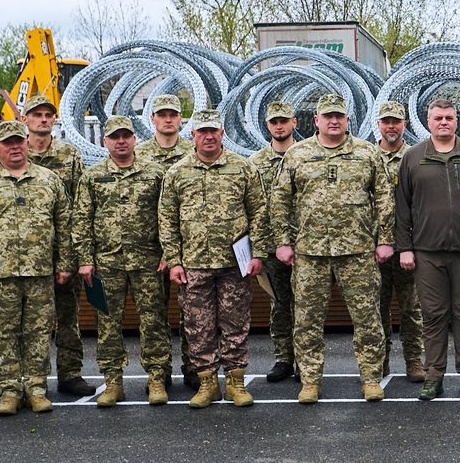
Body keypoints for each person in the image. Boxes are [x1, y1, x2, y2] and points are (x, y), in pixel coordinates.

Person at [271, 93, 391, 405]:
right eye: (328, 116)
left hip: (358, 251)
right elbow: (280, 200)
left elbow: (384, 198)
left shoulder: (367, 153)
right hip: (310, 252)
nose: (333, 121)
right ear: (316, 121)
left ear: (347, 120)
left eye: (339, 116)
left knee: (368, 318)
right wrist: (282, 242)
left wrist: (385, 240)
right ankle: (310, 379)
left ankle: (370, 378)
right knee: (307, 320)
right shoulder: (297, 155)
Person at [0, 120, 72, 416]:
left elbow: (64, 223)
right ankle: (9, 390)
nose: (14, 147)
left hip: (40, 272)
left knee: (38, 333)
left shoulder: (49, 180)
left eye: (18, 141)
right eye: (7, 143)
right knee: (4, 333)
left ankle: (35, 388)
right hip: (0, 273)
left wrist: (64, 263)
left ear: (26, 142)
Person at [158, 109, 269, 409]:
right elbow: (166, 218)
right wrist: (174, 259)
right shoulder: (177, 173)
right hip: (194, 263)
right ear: (192, 135)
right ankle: (207, 383)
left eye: (213, 131)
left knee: (236, 323)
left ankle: (236, 383)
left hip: (235, 264)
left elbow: (259, 212)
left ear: (222, 133)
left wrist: (258, 253)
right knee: (198, 325)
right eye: (202, 131)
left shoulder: (243, 168)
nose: (208, 136)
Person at [393, 97, 460, 400]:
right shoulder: (413, 157)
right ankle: (433, 375)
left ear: (457, 120)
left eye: (449, 117)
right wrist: (405, 248)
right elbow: (402, 207)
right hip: (427, 252)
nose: (444, 122)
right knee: (433, 315)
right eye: (438, 118)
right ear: (428, 121)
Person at [72, 115, 171, 407]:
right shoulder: (92, 176)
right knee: (107, 323)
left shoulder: (154, 174)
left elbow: (165, 216)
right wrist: (85, 260)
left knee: (153, 321)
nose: (121, 141)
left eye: (126, 135)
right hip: (106, 264)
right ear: (105, 142)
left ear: (134, 139)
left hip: (148, 261)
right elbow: (81, 220)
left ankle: (156, 377)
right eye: (115, 137)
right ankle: (113, 381)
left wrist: (168, 252)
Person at [22, 92, 92, 398]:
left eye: (47, 115)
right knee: (28, 320)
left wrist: (77, 252)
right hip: (25, 255)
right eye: (36, 115)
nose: (43, 119)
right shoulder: (15, 151)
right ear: (25, 120)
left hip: (63, 249)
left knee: (68, 315)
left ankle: (70, 373)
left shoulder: (68, 155)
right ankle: (29, 378)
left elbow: (80, 205)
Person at [137, 93, 197, 389]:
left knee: (192, 312)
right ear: (153, 119)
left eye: (173, 114)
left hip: (187, 247)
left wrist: (175, 251)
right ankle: (158, 371)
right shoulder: (140, 154)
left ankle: (193, 367)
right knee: (153, 315)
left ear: (181, 119)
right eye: (162, 114)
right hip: (148, 247)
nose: (168, 119)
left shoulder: (192, 152)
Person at [372, 100, 427, 383]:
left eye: (395, 121)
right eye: (386, 121)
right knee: (377, 308)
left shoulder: (415, 156)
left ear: (404, 124)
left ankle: (414, 360)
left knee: (411, 308)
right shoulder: (366, 156)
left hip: (409, 245)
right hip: (374, 247)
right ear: (378, 124)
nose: (391, 126)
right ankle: (379, 361)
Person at [249, 100, 301, 384]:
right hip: (270, 247)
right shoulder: (255, 163)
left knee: (306, 305)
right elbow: (251, 208)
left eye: (284, 120)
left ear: (294, 122)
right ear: (268, 125)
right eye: (274, 122)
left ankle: (306, 361)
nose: (279, 126)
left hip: (305, 245)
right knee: (279, 305)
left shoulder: (307, 155)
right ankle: (283, 358)